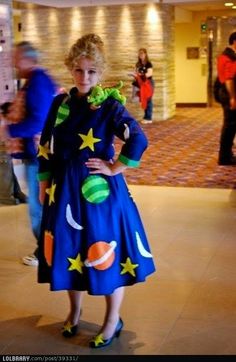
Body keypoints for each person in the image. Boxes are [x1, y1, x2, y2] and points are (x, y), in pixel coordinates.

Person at [37, 33, 156, 349]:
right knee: (68, 250)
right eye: (79, 70)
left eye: (91, 71)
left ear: (100, 72)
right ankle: (74, 312)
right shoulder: (59, 103)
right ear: (71, 69)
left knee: (107, 255)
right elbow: (45, 145)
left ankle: (112, 319)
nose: (84, 77)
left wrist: (116, 167)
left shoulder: (109, 105)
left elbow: (138, 138)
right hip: (63, 192)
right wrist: (43, 182)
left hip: (99, 194)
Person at [1, 41, 58, 266]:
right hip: (34, 154)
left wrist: (8, 129)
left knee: (38, 207)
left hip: (36, 156)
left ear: (28, 59)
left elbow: (37, 120)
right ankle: (47, 248)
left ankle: (45, 252)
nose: (14, 63)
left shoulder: (37, 82)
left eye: (17, 58)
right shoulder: (36, 80)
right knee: (39, 205)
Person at [0, 102, 27, 204]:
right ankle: (9, 195)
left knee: (8, 170)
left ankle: (16, 193)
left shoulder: (5, 120)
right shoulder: (3, 120)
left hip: (4, 149)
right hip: (3, 149)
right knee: (6, 170)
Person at [217, 31, 236, 165]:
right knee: (229, 126)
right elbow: (229, 79)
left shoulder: (231, 56)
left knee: (231, 126)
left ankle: (227, 154)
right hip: (230, 94)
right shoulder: (227, 57)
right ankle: (224, 158)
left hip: (230, 94)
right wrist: (233, 98)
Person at [130, 48, 154, 124]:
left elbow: (149, 73)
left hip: (148, 83)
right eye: (139, 53)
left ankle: (148, 117)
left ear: (145, 54)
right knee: (143, 99)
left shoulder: (148, 64)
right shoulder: (138, 64)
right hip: (141, 84)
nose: (141, 55)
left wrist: (141, 75)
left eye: (142, 53)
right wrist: (134, 75)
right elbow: (136, 73)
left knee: (148, 99)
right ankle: (146, 116)